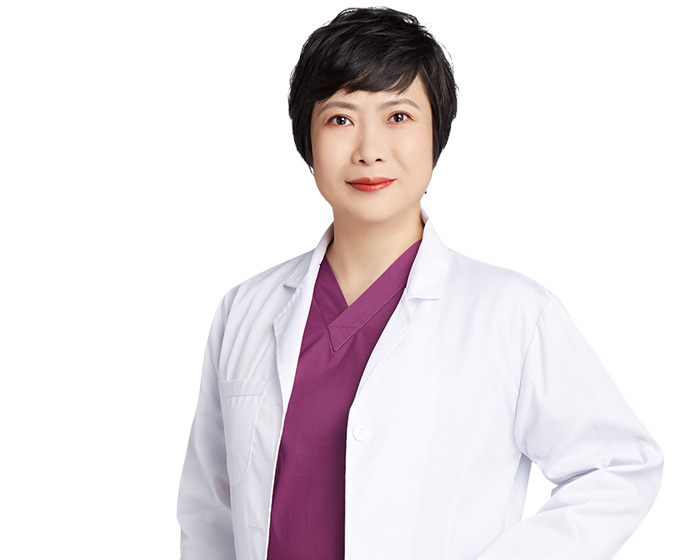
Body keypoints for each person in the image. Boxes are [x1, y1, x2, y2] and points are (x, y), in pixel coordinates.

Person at [177, 7, 662, 560]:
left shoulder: (512, 314)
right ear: (307, 142)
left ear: (436, 137)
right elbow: (209, 512)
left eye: (398, 116)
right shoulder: (244, 310)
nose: (369, 149)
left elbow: (618, 468)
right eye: (340, 119)